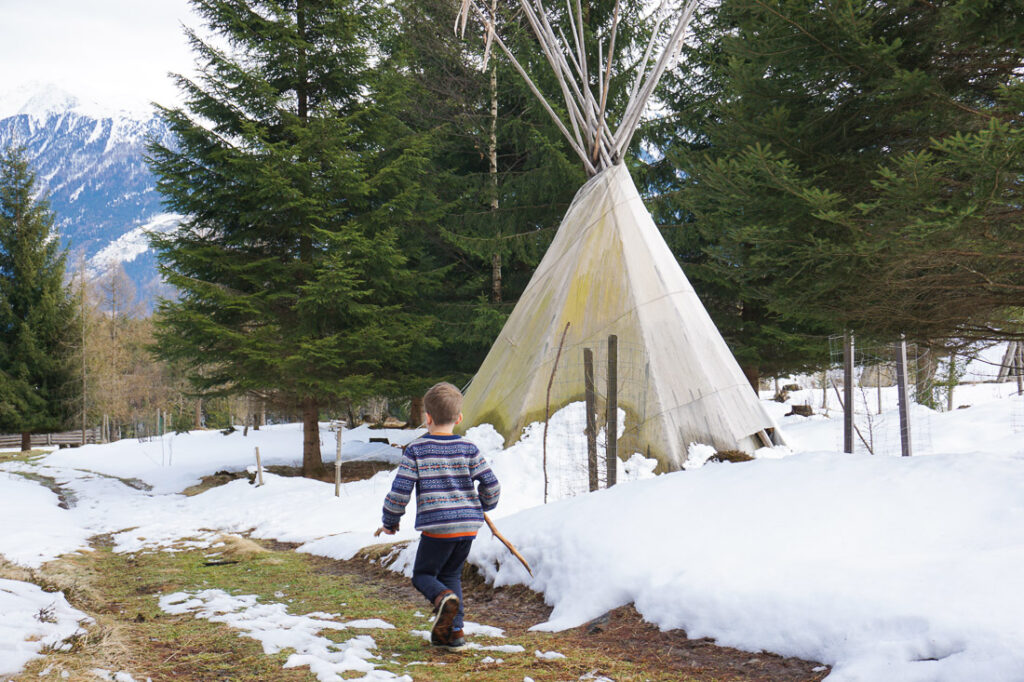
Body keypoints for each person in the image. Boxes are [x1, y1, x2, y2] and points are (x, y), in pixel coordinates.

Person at [377, 382, 500, 651]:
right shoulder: (469, 448)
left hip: (438, 527)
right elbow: (491, 484)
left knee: (423, 574)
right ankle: (455, 634)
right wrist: (484, 505)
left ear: (427, 417)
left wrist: (390, 521)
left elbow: (400, 492)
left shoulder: (417, 450)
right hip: (468, 526)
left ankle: (442, 598)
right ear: (459, 418)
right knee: (452, 574)